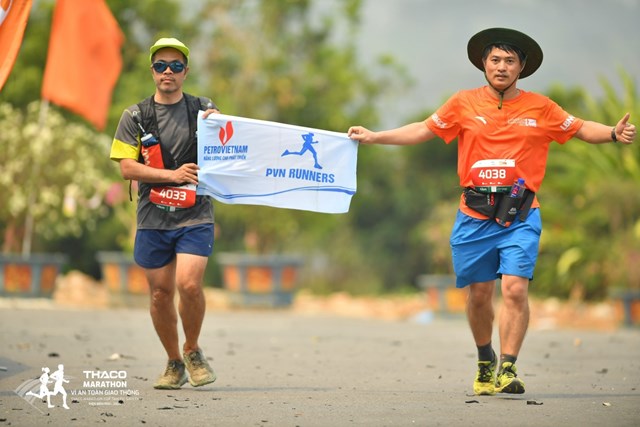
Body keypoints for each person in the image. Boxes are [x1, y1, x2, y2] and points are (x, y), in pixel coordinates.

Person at [348, 27, 636, 396]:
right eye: (495, 60)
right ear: (484, 64)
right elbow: (423, 129)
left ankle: (508, 367)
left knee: (515, 290)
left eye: (509, 61)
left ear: (522, 67)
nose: (501, 67)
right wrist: (375, 136)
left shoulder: (541, 108)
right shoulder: (462, 103)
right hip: (474, 214)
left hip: (521, 214)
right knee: (480, 294)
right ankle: (485, 357)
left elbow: (579, 128)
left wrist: (613, 132)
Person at [110, 37, 220, 389]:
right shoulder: (135, 116)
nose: (167, 72)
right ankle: (174, 362)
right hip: (153, 218)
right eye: (161, 66)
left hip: (195, 214)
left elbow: (231, 146)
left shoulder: (204, 109)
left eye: (175, 66)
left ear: (186, 71)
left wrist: (221, 129)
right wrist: (170, 175)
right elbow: (127, 169)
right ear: (152, 71)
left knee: (189, 284)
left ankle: (193, 349)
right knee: (159, 294)